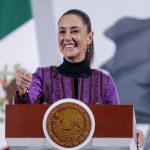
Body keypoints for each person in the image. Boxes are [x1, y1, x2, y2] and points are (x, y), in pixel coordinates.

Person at [14, 9, 144, 149]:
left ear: (89, 37)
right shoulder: (42, 76)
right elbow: (25, 119)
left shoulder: (104, 82)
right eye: (62, 32)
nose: (67, 37)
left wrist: (132, 133)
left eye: (74, 31)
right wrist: (23, 92)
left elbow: (117, 126)